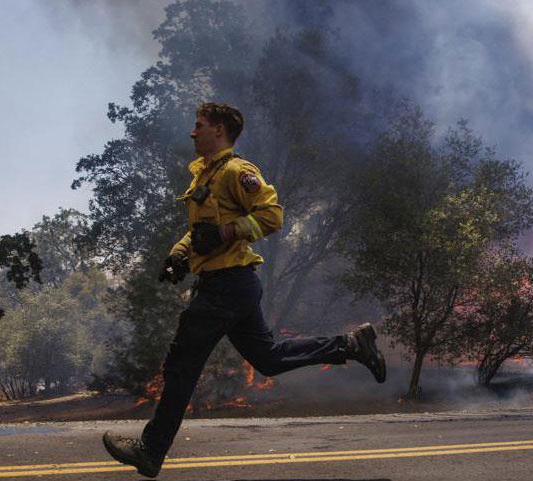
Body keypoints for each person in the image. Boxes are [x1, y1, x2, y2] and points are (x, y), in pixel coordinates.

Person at [102, 102, 386, 478]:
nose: (193, 132)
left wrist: (224, 233)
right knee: (267, 359)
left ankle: (151, 451)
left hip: (227, 286)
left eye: (199, 125)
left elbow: (272, 216)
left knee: (181, 365)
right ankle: (349, 345)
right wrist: (179, 255)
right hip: (231, 285)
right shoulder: (206, 177)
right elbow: (200, 231)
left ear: (218, 130)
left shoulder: (238, 171)